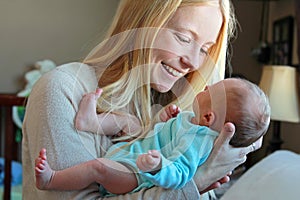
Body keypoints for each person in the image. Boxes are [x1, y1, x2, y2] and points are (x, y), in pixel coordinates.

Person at [22, 0, 262, 199]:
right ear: (143, 23)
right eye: (184, 38)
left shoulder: (190, 115)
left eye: (204, 50)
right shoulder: (62, 88)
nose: (194, 63)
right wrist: (198, 182)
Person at [34, 78, 270, 197]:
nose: (206, 86)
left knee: (97, 167)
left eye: (211, 90)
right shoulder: (191, 120)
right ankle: (89, 122)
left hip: (136, 176)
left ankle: (51, 179)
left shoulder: (199, 142)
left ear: (209, 117)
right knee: (130, 123)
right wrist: (165, 119)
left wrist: (158, 166)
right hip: (132, 155)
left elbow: (180, 174)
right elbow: (161, 136)